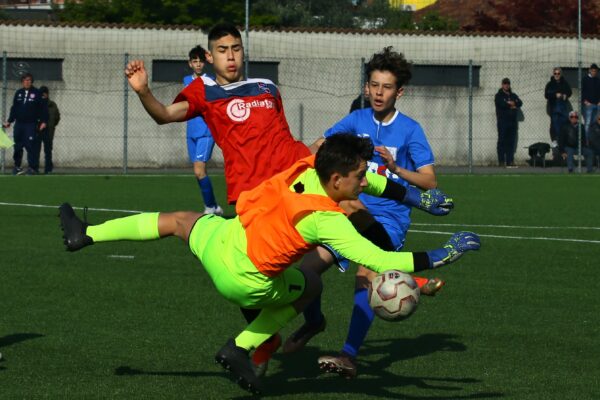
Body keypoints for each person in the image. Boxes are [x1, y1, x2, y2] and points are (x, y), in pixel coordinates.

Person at [59, 133, 481, 395]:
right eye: (356, 177)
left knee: (179, 221)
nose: (361, 183)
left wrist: (413, 197)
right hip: (247, 279)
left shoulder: (306, 166)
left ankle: (88, 234)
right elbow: (381, 259)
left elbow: (369, 179)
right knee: (311, 287)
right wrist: (442, 254)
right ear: (337, 181)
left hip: (227, 239)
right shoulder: (326, 220)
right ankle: (240, 346)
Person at [282, 47, 444, 378]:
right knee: (307, 271)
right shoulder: (355, 120)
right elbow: (318, 147)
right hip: (344, 211)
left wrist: (397, 167)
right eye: (373, 85)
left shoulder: (410, 130)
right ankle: (314, 322)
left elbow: (429, 180)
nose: (378, 93)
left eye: (386, 87)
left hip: (387, 220)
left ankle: (348, 355)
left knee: (365, 276)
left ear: (400, 92)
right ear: (366, 87)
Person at [184, 45, 223, 215]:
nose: (198, 64)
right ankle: (214, 206)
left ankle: (209, 207)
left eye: (201, 61)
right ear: (190, 63)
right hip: (191, 132)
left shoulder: (211, 81)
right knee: (198, 172)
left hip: (206, 132)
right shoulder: (186, 80)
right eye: (195, 61)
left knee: (199, 170)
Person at [2, 73, 48, 175]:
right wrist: (9, 121)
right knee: (17, 146)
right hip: (19, 125)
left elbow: (43, 109)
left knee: (30, 146)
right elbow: (14, 109)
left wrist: (44, 121)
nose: (27, 82)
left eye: (29, 80)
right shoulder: (18, 93)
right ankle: (17, 167)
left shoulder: (37, 93)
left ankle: (33, 168)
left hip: (31, 125)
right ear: (22, 82)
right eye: (25, 80)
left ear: (32, 82)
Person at [495, 78, 523, 168]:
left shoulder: (513, 95)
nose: (506, 85)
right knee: (502, 141)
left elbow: (520, 102)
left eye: (508, 84)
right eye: (505, 84)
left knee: (511, 142)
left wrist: (513, 103)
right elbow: (501, 104)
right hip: (503, 122)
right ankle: (501, 161)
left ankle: (510, 161)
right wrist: (510, 104)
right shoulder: (499, 95)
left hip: (512, 123)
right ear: (502, 85)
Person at [545, 67, 572, 146]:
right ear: (553, 74)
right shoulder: (550, 84)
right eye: (555, 73)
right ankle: (554, 140)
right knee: (554, 124)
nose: (557, 75)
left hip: (563, 107)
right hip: (554, 107)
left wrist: (565, 95)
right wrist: (555, 95)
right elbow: (546, 95)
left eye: (558, 73)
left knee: (564, 123)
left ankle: (563, 140)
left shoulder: (565, 83)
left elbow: (569, 92)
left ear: (561, 74)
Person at [37, 86, 60, 174]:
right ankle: (35, 168)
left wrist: (51, 125)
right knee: (36, 150)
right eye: (41, 93)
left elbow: (57, 117)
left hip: (49, 131)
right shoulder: (36, 104)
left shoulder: (52, 105)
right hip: (38, 130)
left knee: (48, 150)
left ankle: (48, 169)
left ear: (47, 94)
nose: (43, 94)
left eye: (45, 93)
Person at [581, 63, 600, 134]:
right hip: (588, 105)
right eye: (593, 71)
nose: (594, 72)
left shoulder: (598, 80)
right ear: (590, 70)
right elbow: (582, 91)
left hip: (597, 105)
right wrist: (585, 101)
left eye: (595, 71)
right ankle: (587, 142)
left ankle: (594, 141)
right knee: (588, 123)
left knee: (595, 123)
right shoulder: (585, 79)